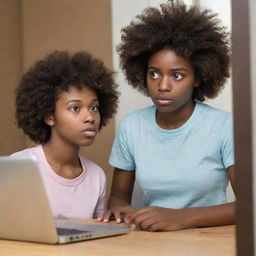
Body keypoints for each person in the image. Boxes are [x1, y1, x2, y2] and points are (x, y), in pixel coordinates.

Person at [98, 2, 235, 231]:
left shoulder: (223, 126)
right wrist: (121, 210)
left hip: (211, 241)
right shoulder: (132, 127)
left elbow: (250, 205)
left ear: (198, 77)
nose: (162, 85)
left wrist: (182, 218)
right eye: (154, 74)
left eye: (177, 76)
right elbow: (119, 197)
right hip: (154, 241)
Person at [12, 50, 119, 220]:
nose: (90, 117)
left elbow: (97, 237)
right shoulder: (18, 168)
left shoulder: (96, 176)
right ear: (49, 116)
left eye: (94, 107)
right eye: (75, 108)